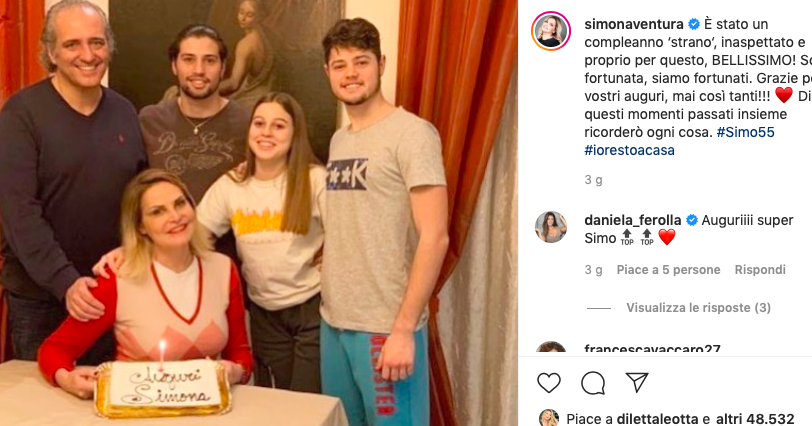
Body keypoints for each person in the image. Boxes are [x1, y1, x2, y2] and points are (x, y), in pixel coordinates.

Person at [0, 0, 146, 362]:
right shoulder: (21, 115)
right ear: (51, 52)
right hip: (42, 302)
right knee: (43, 398)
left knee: (109, 396)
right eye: (72, 44)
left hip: (114, 294)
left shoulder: (125, 111)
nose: (88, 55)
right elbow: (18, 214)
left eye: (97, 42)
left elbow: (140, 198)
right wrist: (65, 282)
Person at [320, 18, 449, 425]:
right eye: (339, 65)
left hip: (385, 327)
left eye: (361, 62)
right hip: (334, 321)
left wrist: (404, 329)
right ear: (327, 72)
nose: (350, 73)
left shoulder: (412, 134)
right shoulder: (340, 139)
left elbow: (435, 237)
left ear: (381, 64)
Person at [38, 169, 253, 399]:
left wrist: (236, 372)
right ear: (140, 226)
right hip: (138, 410)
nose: (175, 216)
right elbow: (54, 349)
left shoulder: (223, 269)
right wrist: (66, 379)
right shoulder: (118, 278)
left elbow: (240, 354)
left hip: (208, 410)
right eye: (158, 211)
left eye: (180, 203)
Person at [196, 92, 325, 393]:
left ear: (295, 134)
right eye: (259, 123)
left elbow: (348, 233)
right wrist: (134, 252)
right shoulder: (232, 184)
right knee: (274, 400)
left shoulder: (315, 179)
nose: (266, 132)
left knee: (306, 403)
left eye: (279, 125)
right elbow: (192, 234)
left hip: (313, 309)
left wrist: (331, 251)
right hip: (264, 313)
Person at [141, 24, 249, 203]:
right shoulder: (150, 120)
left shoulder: (248, 122)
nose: (199, 70)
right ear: (174, 65)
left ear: (222, 68)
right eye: (189, 59)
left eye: (210, 61)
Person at [219, 0, 276, 109]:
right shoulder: (265, 36)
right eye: (241, 12)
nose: (243, 18)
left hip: (251, 102)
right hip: (266, 96)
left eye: (250, 15)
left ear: (260, 16)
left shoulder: (246, 45)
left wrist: (209, 89)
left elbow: (234, 84)